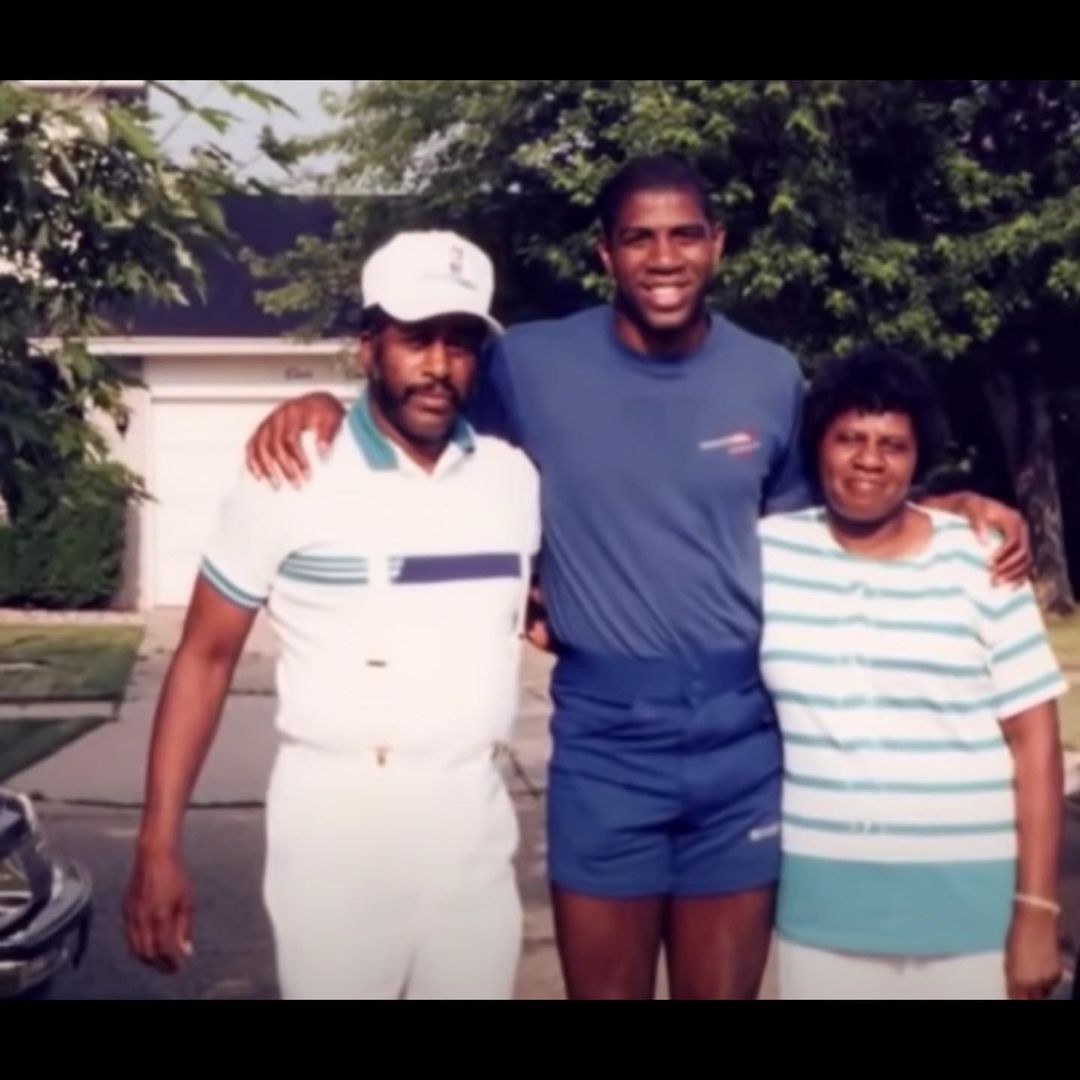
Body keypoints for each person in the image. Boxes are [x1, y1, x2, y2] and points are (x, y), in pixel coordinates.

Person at [243, 155, 1031, 1000]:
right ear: (604, 254)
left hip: (741, 741)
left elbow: (828, 520)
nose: (664, 257)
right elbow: (420, 407)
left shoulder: (767, 376)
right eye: (639, 237)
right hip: (607, 742)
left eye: (685, 234)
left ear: (717, 245)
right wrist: (326, 405)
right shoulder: (532, 366)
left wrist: (940, 501)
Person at [123, 231, 541, 999]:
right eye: (417, 340)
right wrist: (157, 843)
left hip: (473, 826)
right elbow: (204, 658)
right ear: (368, 346)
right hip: (339, 829)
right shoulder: (291, 470)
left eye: (459, 343)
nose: (439, 367)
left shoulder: (512, 481)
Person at [759, 348, 1065, 1000]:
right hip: (824, 915)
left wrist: (1037, 913)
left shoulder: (982, 557)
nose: (870, 459)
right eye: (850, 439)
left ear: (917, 456)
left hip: (972, 917)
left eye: (893, 445)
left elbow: (1036, 742)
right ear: (819, 446)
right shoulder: (766, 554)